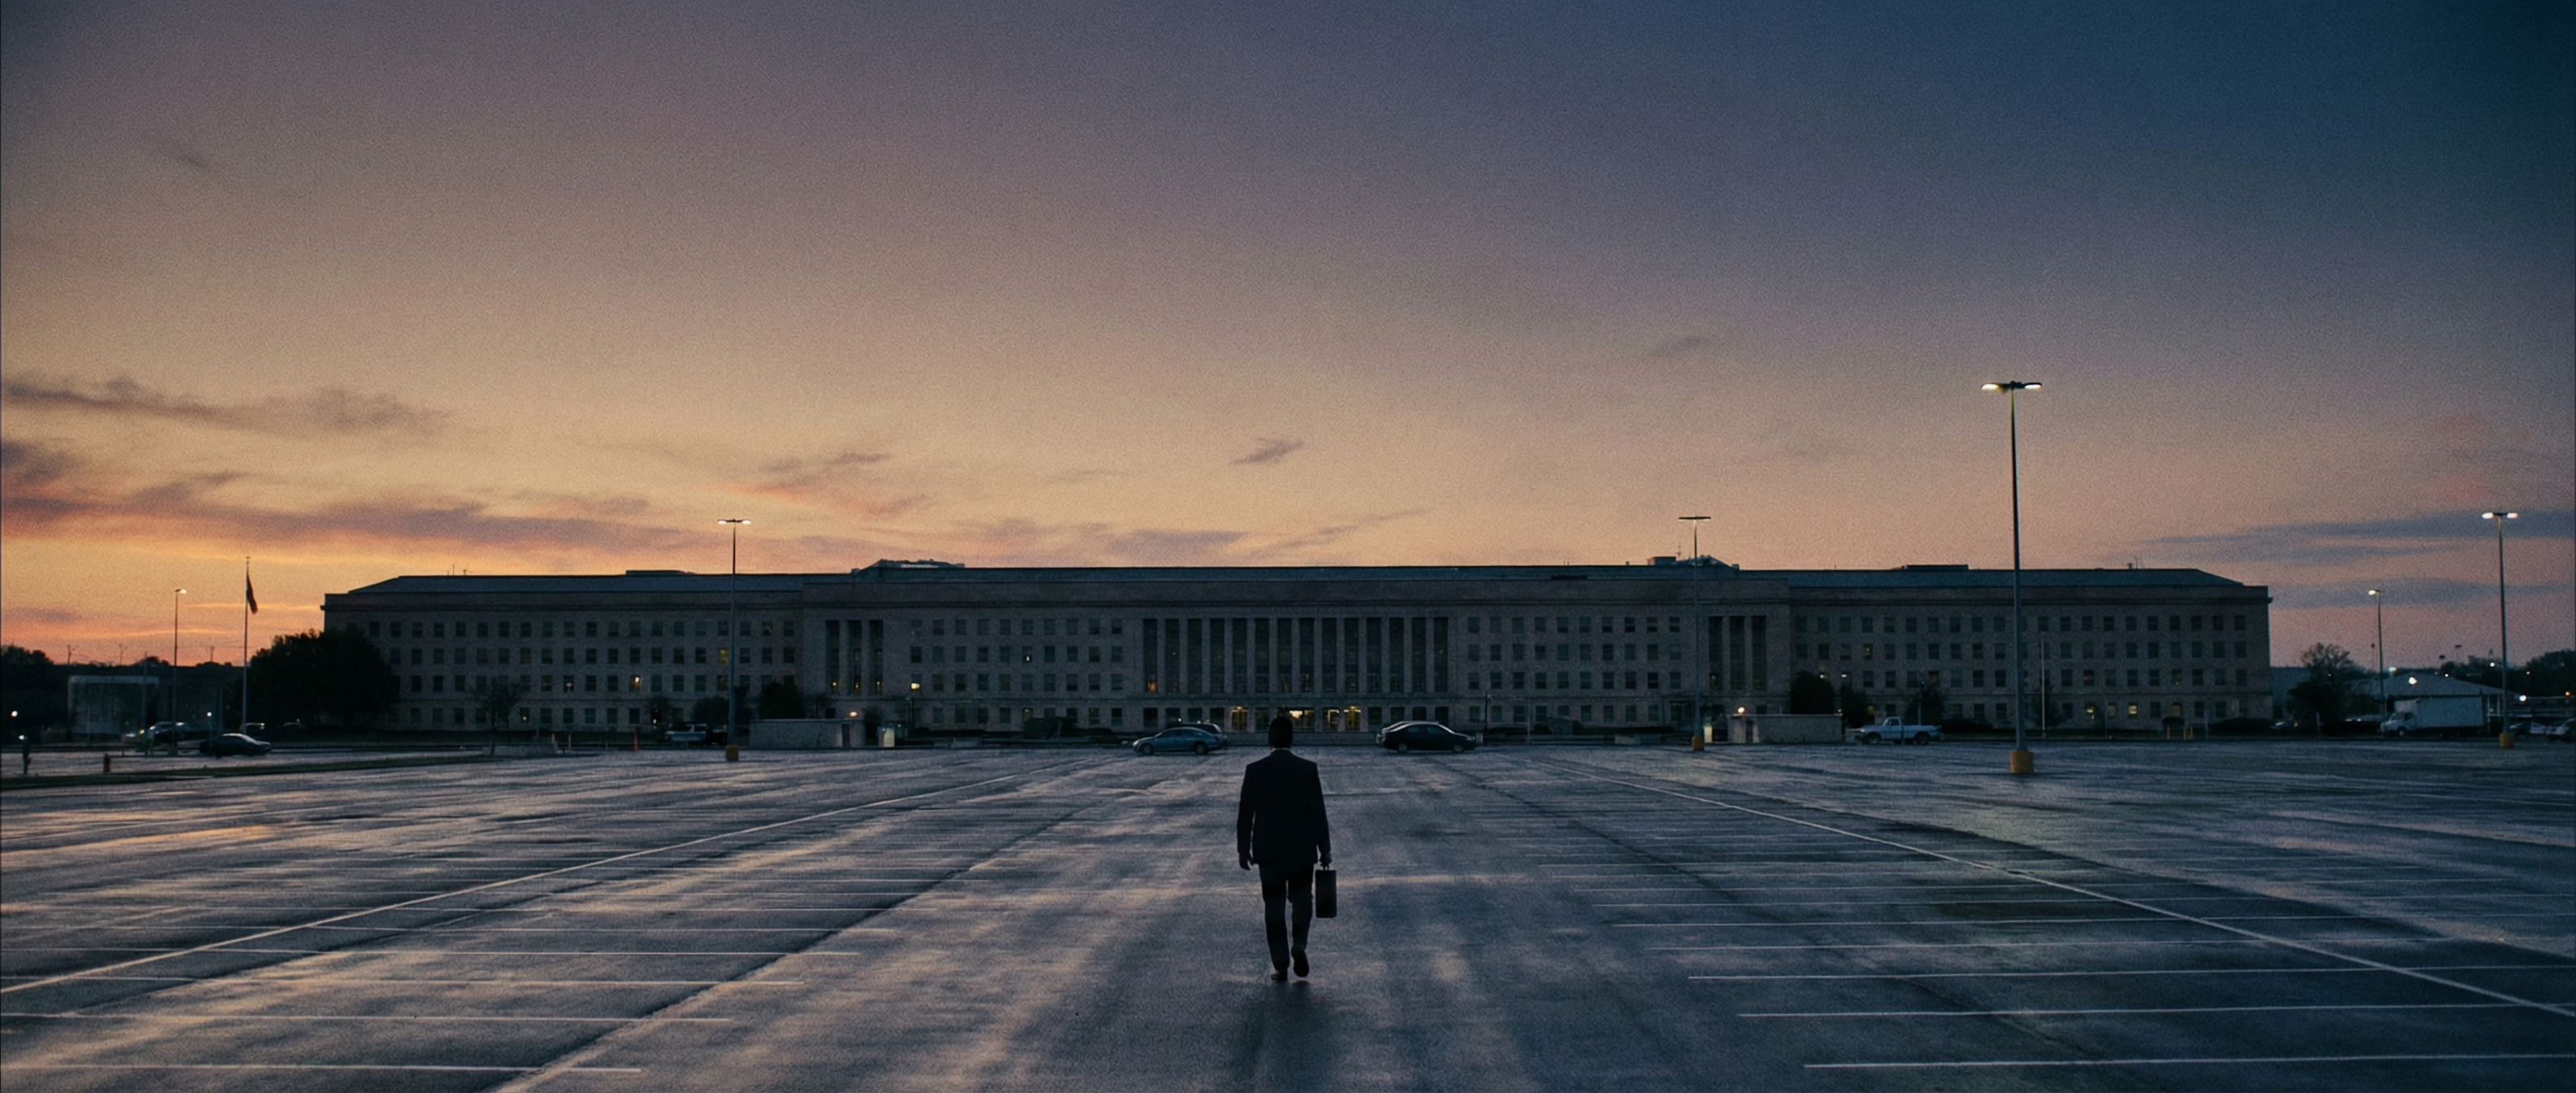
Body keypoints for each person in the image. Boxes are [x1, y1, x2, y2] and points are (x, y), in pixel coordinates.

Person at [1238, 712, 1332, 981]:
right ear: (1291, 740)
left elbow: (1246, 814)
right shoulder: (1307, 769)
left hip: (1268, 852)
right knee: (1303, 900)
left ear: (1269, 741)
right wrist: (1325, 848)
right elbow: (1318, 812)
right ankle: (1299, 945)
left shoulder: (1255, 770)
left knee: (1274, 906)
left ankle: (1280, 965)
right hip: (1302, 850)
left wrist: (1243, 850)